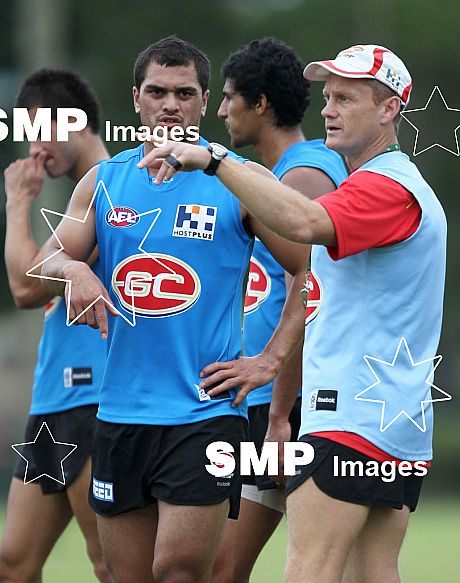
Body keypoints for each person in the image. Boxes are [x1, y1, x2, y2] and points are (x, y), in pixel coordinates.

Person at [138, 44, 447, 583]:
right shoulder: (381, 183)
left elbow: (301, 224)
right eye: (327, 97)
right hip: (390, 420)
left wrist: (215, 160)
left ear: (390, 109)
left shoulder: (386, 186)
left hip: (349, 417)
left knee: (309, 571)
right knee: (373, 572)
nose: (327, 109)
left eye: (346, 98)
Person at [40, 37, 309, 583]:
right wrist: (76, 269)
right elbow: (45, 259)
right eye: (157, 91)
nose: (170, 104)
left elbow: (311, 271)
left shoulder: (238, 181)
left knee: (181, 572)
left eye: (184, 93)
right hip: (118, 416)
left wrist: (270, 360)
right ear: (135, 98)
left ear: (205, 102)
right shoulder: (106, 181)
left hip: (203, 414)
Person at [210, 38, 347, 583]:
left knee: (325, 568)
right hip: (269, 405)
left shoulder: (306, 174)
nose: (221, 111)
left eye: (228, 98)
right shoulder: (274, 173)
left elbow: (311, 288)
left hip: (293, 406)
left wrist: (278, 404)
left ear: (260, 103)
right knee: (222, 568)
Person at [1, 69, 110, 582]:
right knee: (13, 561)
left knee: (108, 561)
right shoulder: (73, 202)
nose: (35, 147)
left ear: (79, 122)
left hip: (95, 399)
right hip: (52, 401)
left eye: (44, 129)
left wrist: (18, 201)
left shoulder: (108, 189)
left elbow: (24, 287)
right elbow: (32, 284)